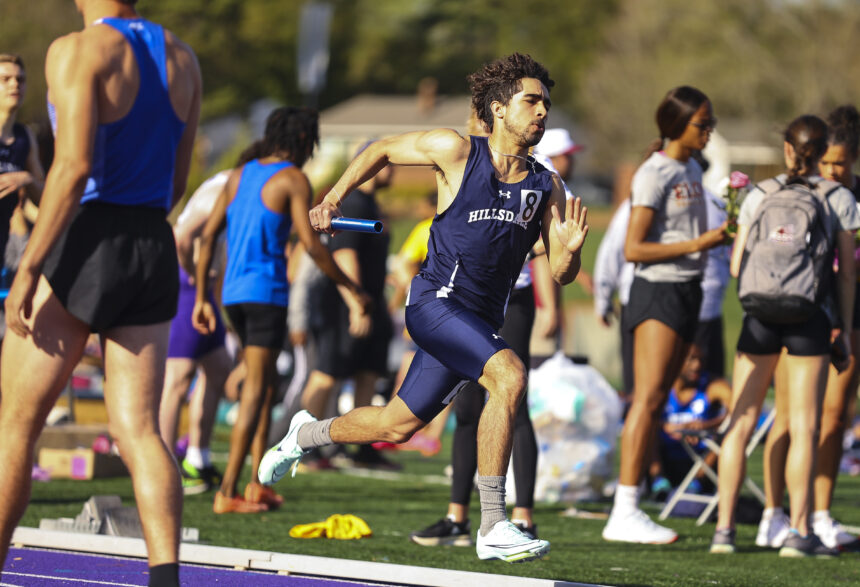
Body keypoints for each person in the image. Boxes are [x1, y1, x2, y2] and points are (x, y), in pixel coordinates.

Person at [260, 53, 588, 563]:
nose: (543, 112)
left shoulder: (548, 186)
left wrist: (568, 250)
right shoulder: (455, 151)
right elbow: (383, 149)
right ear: (500, 108)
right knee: (510, 376)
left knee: (397, 424)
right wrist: (333, 197)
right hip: (434, 305)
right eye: (532, 101)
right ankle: (494, 522)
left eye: (546, 103)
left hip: (478, 323)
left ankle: (303, 434)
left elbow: (562, 272)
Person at [0, 1, 202, 585]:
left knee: (16, 423)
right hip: (150, 239)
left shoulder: (77, 48)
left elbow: (72, 167)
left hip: (87, 234)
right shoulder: (183, 58)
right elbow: (177, 180)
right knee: (140, 429)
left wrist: (29, 266)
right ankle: (165, 579)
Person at [192, 106, 368, 514]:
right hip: (265, 295)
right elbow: (311, 245)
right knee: (256, 391)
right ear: (306, 141)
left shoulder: (240, 174)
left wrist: (203, 295)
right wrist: (350, 288)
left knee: (268, 387)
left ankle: (256, 484)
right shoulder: (292, 178)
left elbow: (207, 234)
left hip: (232, 296)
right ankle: (229, 492)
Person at [408, 110, 565, 547]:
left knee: (514, 390)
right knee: (462, 411)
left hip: (510, 302)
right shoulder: (462, 157)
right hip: (455, 303)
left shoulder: (538, 174)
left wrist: (550, 296)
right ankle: (459, 515)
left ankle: (517, 516)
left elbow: (547, 246)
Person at [711, 114, 859, 557]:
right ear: (823, 153)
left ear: (788, 150)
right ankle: (798, 531)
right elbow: (847, 273)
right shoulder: (839, 198)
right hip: (810, 318)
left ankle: (724, 531)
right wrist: (845, 329)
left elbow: (737, 265)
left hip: (759, 318)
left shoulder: (759, 193)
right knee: (805, 426)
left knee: (739, 423)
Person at [601, 86, 727, 545]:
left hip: (689, 290)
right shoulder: (653, 173)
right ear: (676, 125)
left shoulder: (692, 167)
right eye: (702, 123)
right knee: (649, 398)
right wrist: (699, 243)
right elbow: (634, 248)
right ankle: (625, 509)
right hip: (657, 292)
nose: (709, 130)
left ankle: (633, 505)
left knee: (659, 399)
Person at [755, 105, 860, 551]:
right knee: (790, 417)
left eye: (843, 163)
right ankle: (773, 515)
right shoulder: (805, 194)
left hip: (846, 317)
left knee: (832, 420)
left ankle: (819, 514)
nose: (835, 170)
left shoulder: (849, 200)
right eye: (829, 162)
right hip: (800, 313)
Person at [298, 148, 395, 469]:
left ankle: (362, 449)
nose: (393, 169)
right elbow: (344, 254)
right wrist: (357, 303)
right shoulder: (353, 203)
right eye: (386, 163)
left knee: (367, 374)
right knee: (326, 374)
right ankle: (301, 444)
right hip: (345, 303)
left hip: (370, 300)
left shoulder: (371, 204)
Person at [158, 169, 232, 494]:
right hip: (188, 287)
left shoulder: (232, 187)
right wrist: (194, 279)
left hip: (201, 287)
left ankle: (197, 460)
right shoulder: (224, 190)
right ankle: (162, 468)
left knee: (218, 368)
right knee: (178, 377)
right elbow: (181, 237)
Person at [651, 343, 730, 498]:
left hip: (701, 459)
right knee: (647, 430)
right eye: (691, 360)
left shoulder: (712, 386)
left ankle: (696, 484)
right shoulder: (660, 386)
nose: (697, 365)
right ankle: (658, 482)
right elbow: (636, 412)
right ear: (675, 361)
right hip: (667, 459)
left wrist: (705, 426)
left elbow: (740, 409)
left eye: (701, 360)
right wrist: (665, 426)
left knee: (727, 435)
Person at [0, 53, 44, 261]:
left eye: (20, 79)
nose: (14, 85)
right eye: (5, 79)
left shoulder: (24, 136)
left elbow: (44, 197)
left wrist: (26, 179)